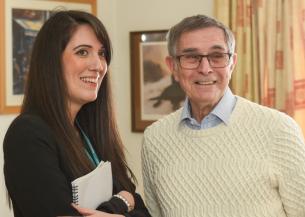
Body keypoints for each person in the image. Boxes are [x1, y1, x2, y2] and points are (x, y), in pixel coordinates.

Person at [141, 14, 305, 217]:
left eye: (217, 56)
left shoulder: (279, 130)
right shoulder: (154, 139)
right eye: (191, 57)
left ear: (232, 63)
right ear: (173, 66)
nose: (205, 68)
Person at [3, 10, 150, 217]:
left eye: (102, 53)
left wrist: (124, 203)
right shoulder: (28, 134)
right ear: (51, 62)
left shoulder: (89, 131)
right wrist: (121, 203)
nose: (98, 65)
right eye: (82, 52)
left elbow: (142, 208)